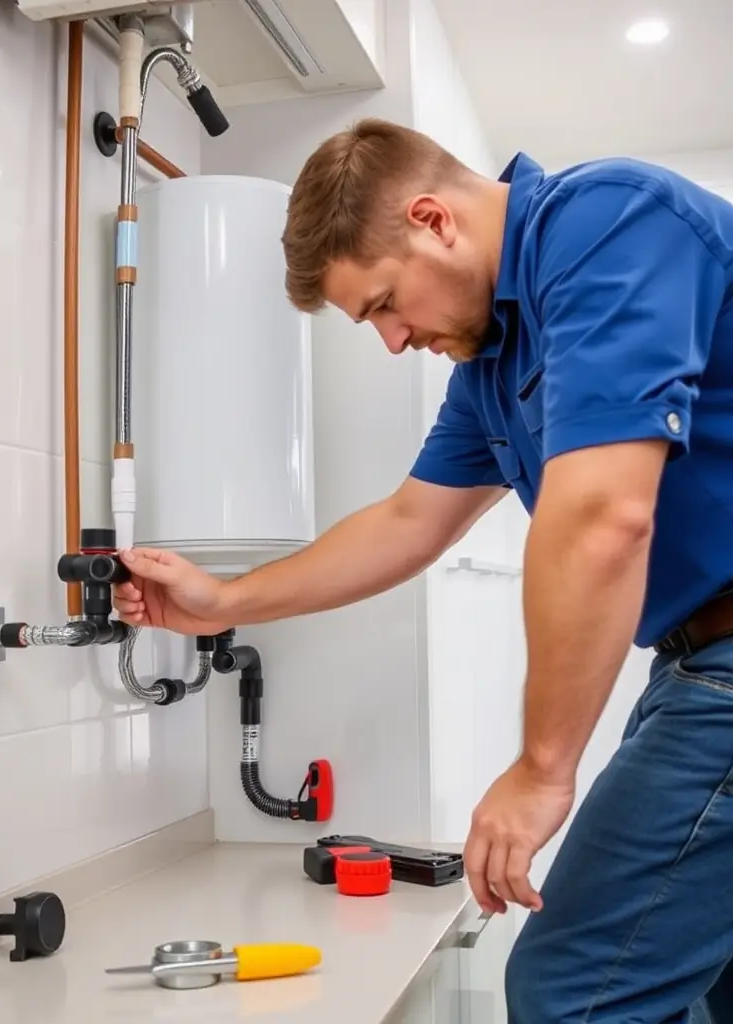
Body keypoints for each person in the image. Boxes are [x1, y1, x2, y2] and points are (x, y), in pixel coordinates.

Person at [114, 118, 733, 1023]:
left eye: (382, 305)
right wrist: (224, 603)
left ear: (435, 220)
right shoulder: (493, 365)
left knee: (575, 990)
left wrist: (541, 767)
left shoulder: (607, 223)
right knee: (696, 980)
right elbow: (408, 523)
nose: (394, 340)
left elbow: (605, 514)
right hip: (693, 662)